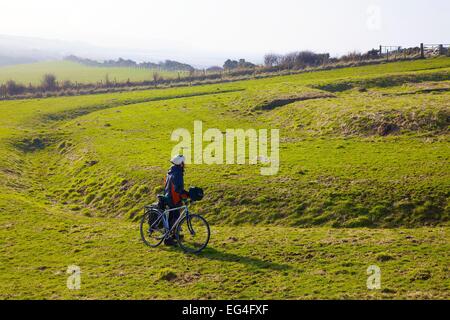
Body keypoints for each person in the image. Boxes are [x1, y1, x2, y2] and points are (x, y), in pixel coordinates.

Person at [163, 155, 189, 246]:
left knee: (173, 216)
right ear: (181, 163)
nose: (184, 164)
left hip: (169, 196)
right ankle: (167, 239)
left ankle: (173, 235)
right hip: (173, 198)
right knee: (175, 217)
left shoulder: (171, 170)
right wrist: (187, 195)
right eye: (183, 162)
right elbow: (178, 188)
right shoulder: (177, 173)